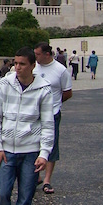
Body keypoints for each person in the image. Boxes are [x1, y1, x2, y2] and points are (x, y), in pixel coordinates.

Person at [0, 47, 54, 205]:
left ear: (32, 65)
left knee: (25, 199)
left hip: (30, 151)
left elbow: (47, 123)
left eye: (22, 64)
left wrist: (44, 153)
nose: (17, 67)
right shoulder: (4, 84)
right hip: (7, 149)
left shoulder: (43, 89)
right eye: (15, 63)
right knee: (1, 193)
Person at [33, 42, 73, 195]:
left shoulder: (60, 70)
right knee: (34, 144)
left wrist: (54, 103)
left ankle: (47, 180)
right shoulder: (34, 67)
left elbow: (68, 92)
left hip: (52, 113)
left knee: (51, 145)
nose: (35, 57)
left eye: (38, 54)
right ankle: (36, 175)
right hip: (35, 113)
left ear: (47, 54)